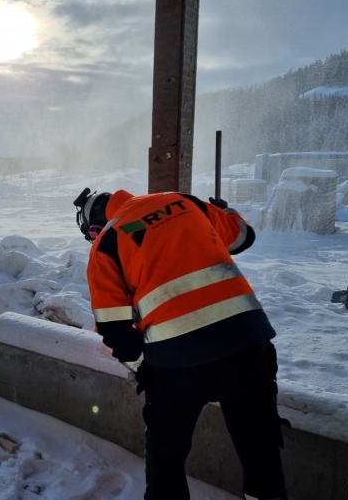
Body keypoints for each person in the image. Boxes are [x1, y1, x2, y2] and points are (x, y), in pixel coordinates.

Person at [74, 187, 287, 500]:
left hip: (175, 363)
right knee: (260, 454)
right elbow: (242, 237)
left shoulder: (106, 243)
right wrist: (224, 211)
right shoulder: (182, 201)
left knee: (166, 460)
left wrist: (144, 367)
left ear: (95, 227)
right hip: (246, 341)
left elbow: (113, 329)